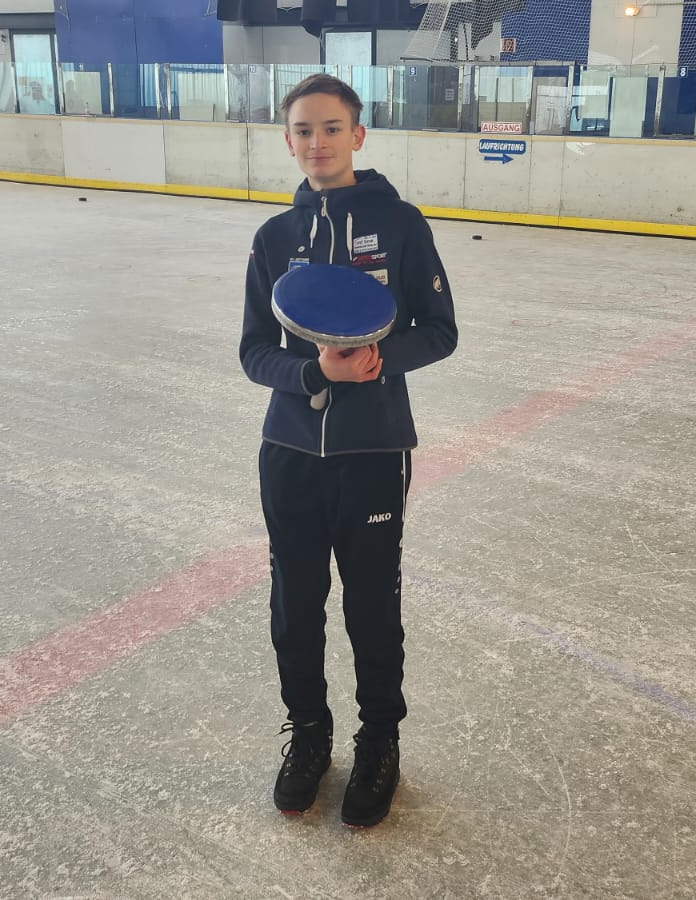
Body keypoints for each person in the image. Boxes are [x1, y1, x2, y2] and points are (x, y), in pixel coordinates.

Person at [239, 73, 457, 828]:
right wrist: (311, 373)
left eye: (331, 128)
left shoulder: (400, 224)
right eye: (303, 130)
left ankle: (378, 743)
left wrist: (379, 360)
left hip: (372, 450)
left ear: (358, 136)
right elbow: (253, 353)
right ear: (289, 139)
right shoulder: (272, 239)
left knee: (371, 606)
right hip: (289, 451)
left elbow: (440, 329)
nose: (317, 143)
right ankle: (308, 736)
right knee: (295, 605)